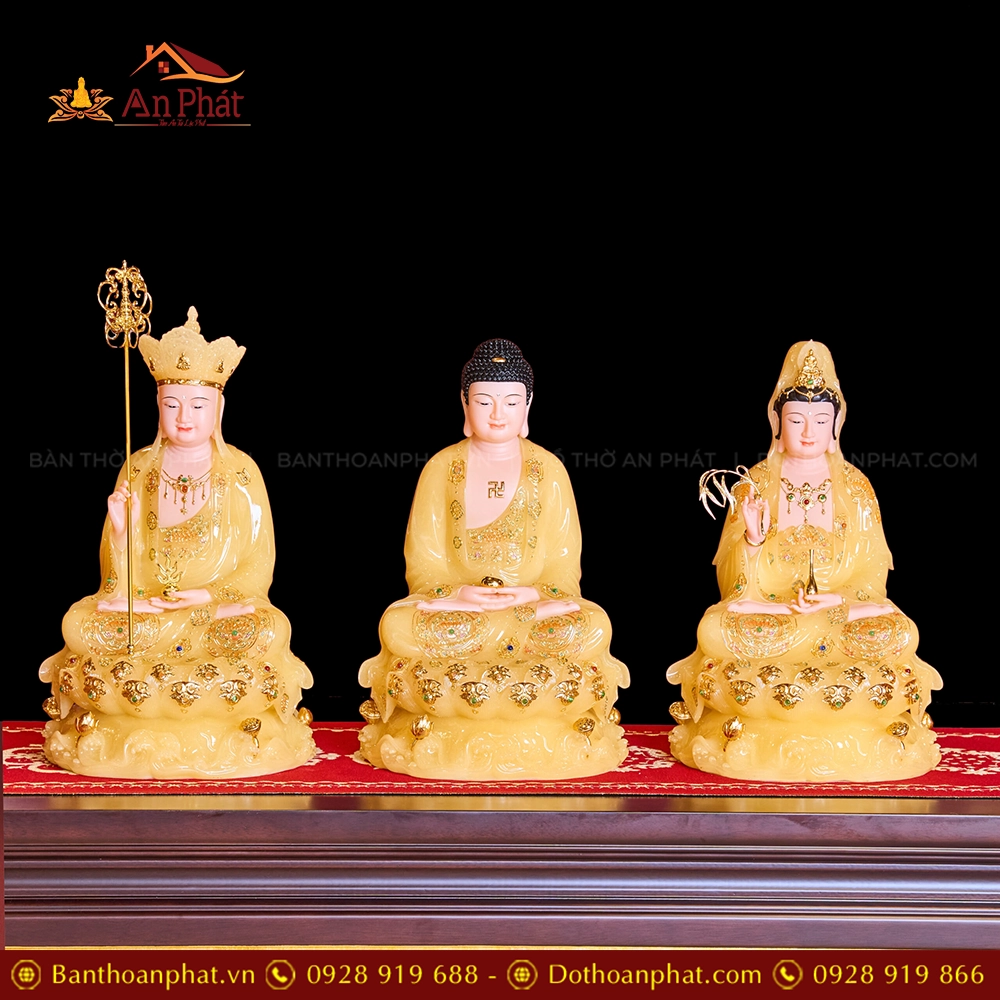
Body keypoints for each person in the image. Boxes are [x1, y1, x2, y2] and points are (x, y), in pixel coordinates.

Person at [39, 307, 315, 778]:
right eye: (172, 405)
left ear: (219, 410)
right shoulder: (138, 469)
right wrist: (121, 536)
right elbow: (117, 577)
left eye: (198, 406)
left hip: (214, 616)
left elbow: (257, 567)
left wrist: (205, 597)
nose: (184, 417)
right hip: (146, 616)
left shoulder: (241, 472)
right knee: (79, 624)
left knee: (269, 628)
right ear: (157, 407)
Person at [667, 342, 942, 781]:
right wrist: (753, 541)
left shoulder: (856, 487)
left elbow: (873, 575)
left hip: (840, 617)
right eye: (796, 420)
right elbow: (732, 583)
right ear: (777, 423)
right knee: (715, 629)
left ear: (836, 426)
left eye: (820, 421)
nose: (808, 432)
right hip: (775, 618)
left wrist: (838, 603)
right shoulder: (754, 483)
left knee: (899, 630)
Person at [358, 339, 629, 779]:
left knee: (593, 623)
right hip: (461, 613)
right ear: (465, 405)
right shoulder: (442, 468)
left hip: (532, 611)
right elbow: (423, 559)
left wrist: (537, 596)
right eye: (484, 401)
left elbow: (565, 563)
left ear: (528, 406)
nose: (498, 414)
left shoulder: (549, 470)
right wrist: (456, 594)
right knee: (397, 624)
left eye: (511, 402)